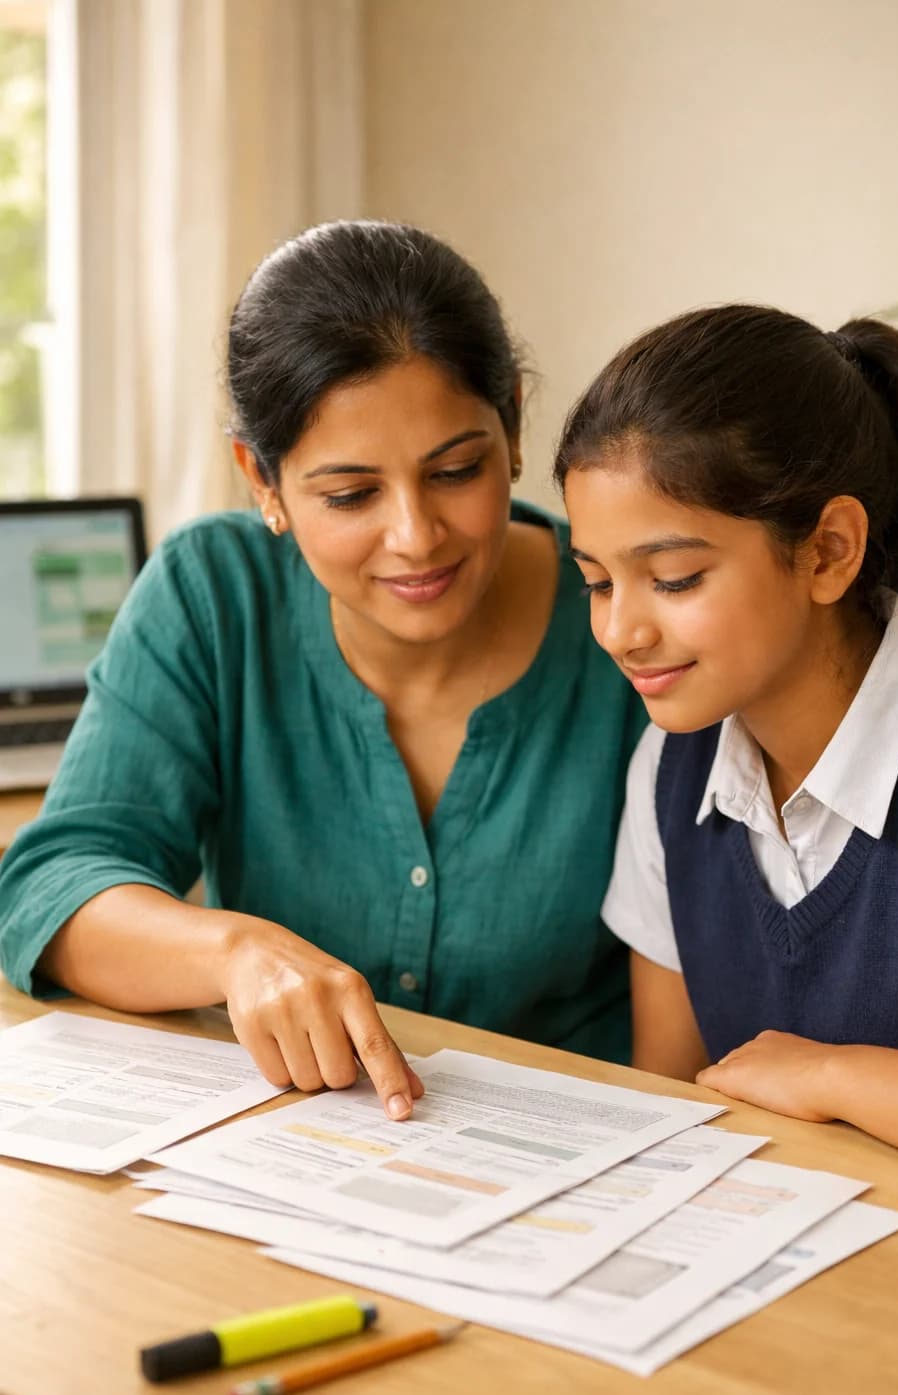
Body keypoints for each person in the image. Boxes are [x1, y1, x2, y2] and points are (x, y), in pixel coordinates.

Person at [0, 220, 645, 1118]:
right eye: (350, 495)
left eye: (457, 470)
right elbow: (54, 882)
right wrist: (233, 953)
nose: (417, 537)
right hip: (296, 1161)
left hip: (578, 1164)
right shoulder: (213, 593)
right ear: (261, 481)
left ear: (516, 426)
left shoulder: (632, 616)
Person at [555, 303, 898, 1198]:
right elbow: (670, 1100)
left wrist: (833, 1078)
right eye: (597, 581)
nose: (621, 630)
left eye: (674, 579)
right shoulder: (673, 770)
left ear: (828, 551)